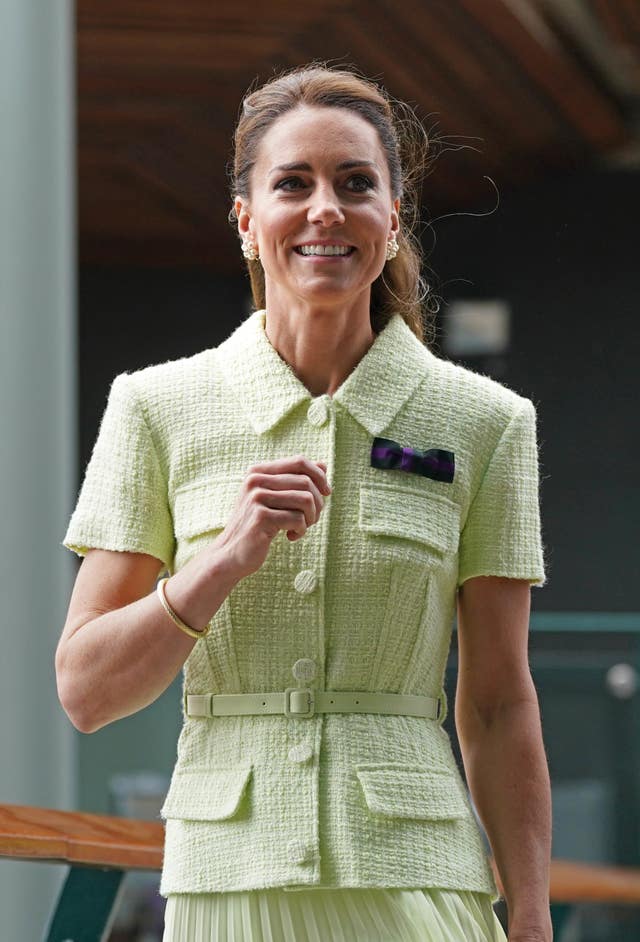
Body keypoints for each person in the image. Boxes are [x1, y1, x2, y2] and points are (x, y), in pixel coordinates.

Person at [57, 63, 552, 942]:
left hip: (417, 881)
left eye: (356, 183)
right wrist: (224, 559)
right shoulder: (155, 408)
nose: (326, 208)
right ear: (248, 222)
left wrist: (534, 911)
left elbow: (498, 703)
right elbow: (87, 691)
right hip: (227, 885)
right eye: (293, 183)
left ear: (392, 219)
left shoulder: (487, 422)